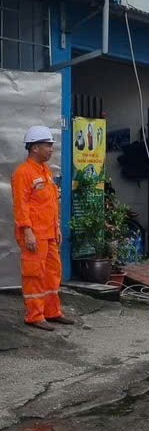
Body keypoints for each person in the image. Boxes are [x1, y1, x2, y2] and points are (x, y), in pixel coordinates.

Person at [11, 125, 75, 330]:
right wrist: (27, 231)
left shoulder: (45, 172)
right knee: (34, 274)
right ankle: (35, 315)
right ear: (34, 148)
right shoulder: (23, 173)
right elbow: (21, 205)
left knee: (52, 273)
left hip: (48, 234)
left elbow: (50, 204)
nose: (51, 149)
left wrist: (56, 228)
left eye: (50, 145)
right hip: (34, 235)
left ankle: (52, 311)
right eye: (47, 145)